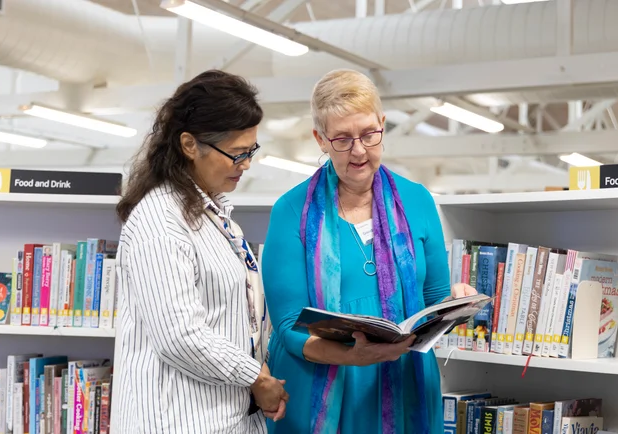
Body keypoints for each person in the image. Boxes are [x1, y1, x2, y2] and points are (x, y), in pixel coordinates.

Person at [261, 68, 477, 434]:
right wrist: (352, 356)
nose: (359, 150)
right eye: (342, 139)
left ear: (383, 124)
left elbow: (433, 301)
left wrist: (456, 304)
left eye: (368, 134)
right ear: (320, 139)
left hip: (406, 385)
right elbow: (287, 326)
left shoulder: (418, 201)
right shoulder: (291, 211)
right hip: (322, 388)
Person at [113, 70, 288, 433]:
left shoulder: (215, 216)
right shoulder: (160, 221)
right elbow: (179, 336)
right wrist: (255, 376)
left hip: (225, 416)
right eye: (237, 154)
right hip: (178, 421)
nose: (246, 164)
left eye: (251, 151)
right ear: (190, 145)